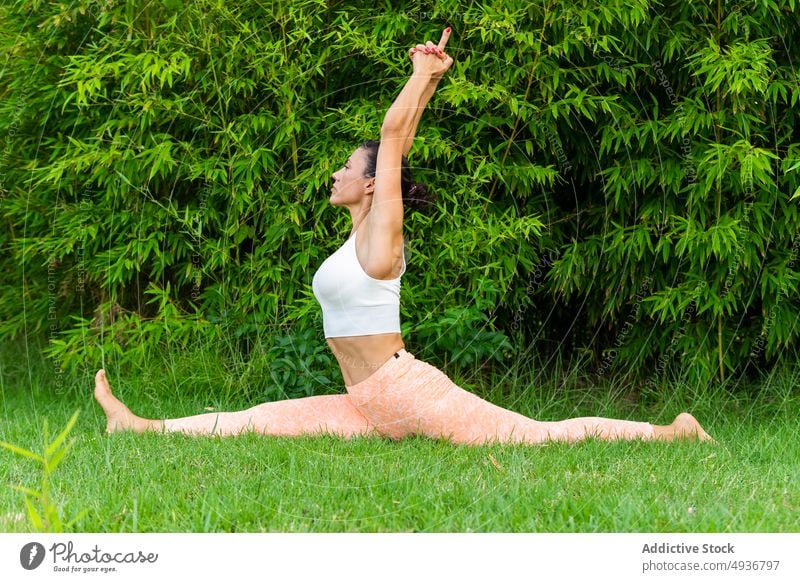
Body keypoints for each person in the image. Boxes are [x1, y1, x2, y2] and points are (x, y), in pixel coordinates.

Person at [94, 29, 714, 445]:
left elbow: (392, 141)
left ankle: (667, 433)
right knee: (261, 420)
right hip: (362, 401)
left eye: (347, 168)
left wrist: (420, 75)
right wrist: (434, 81)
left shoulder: (382, 242)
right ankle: (141, 426)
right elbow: (401, 143)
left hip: (406, 393)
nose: (336, 173)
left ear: (371, 187)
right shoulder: (357, 237)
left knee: (533, 435)